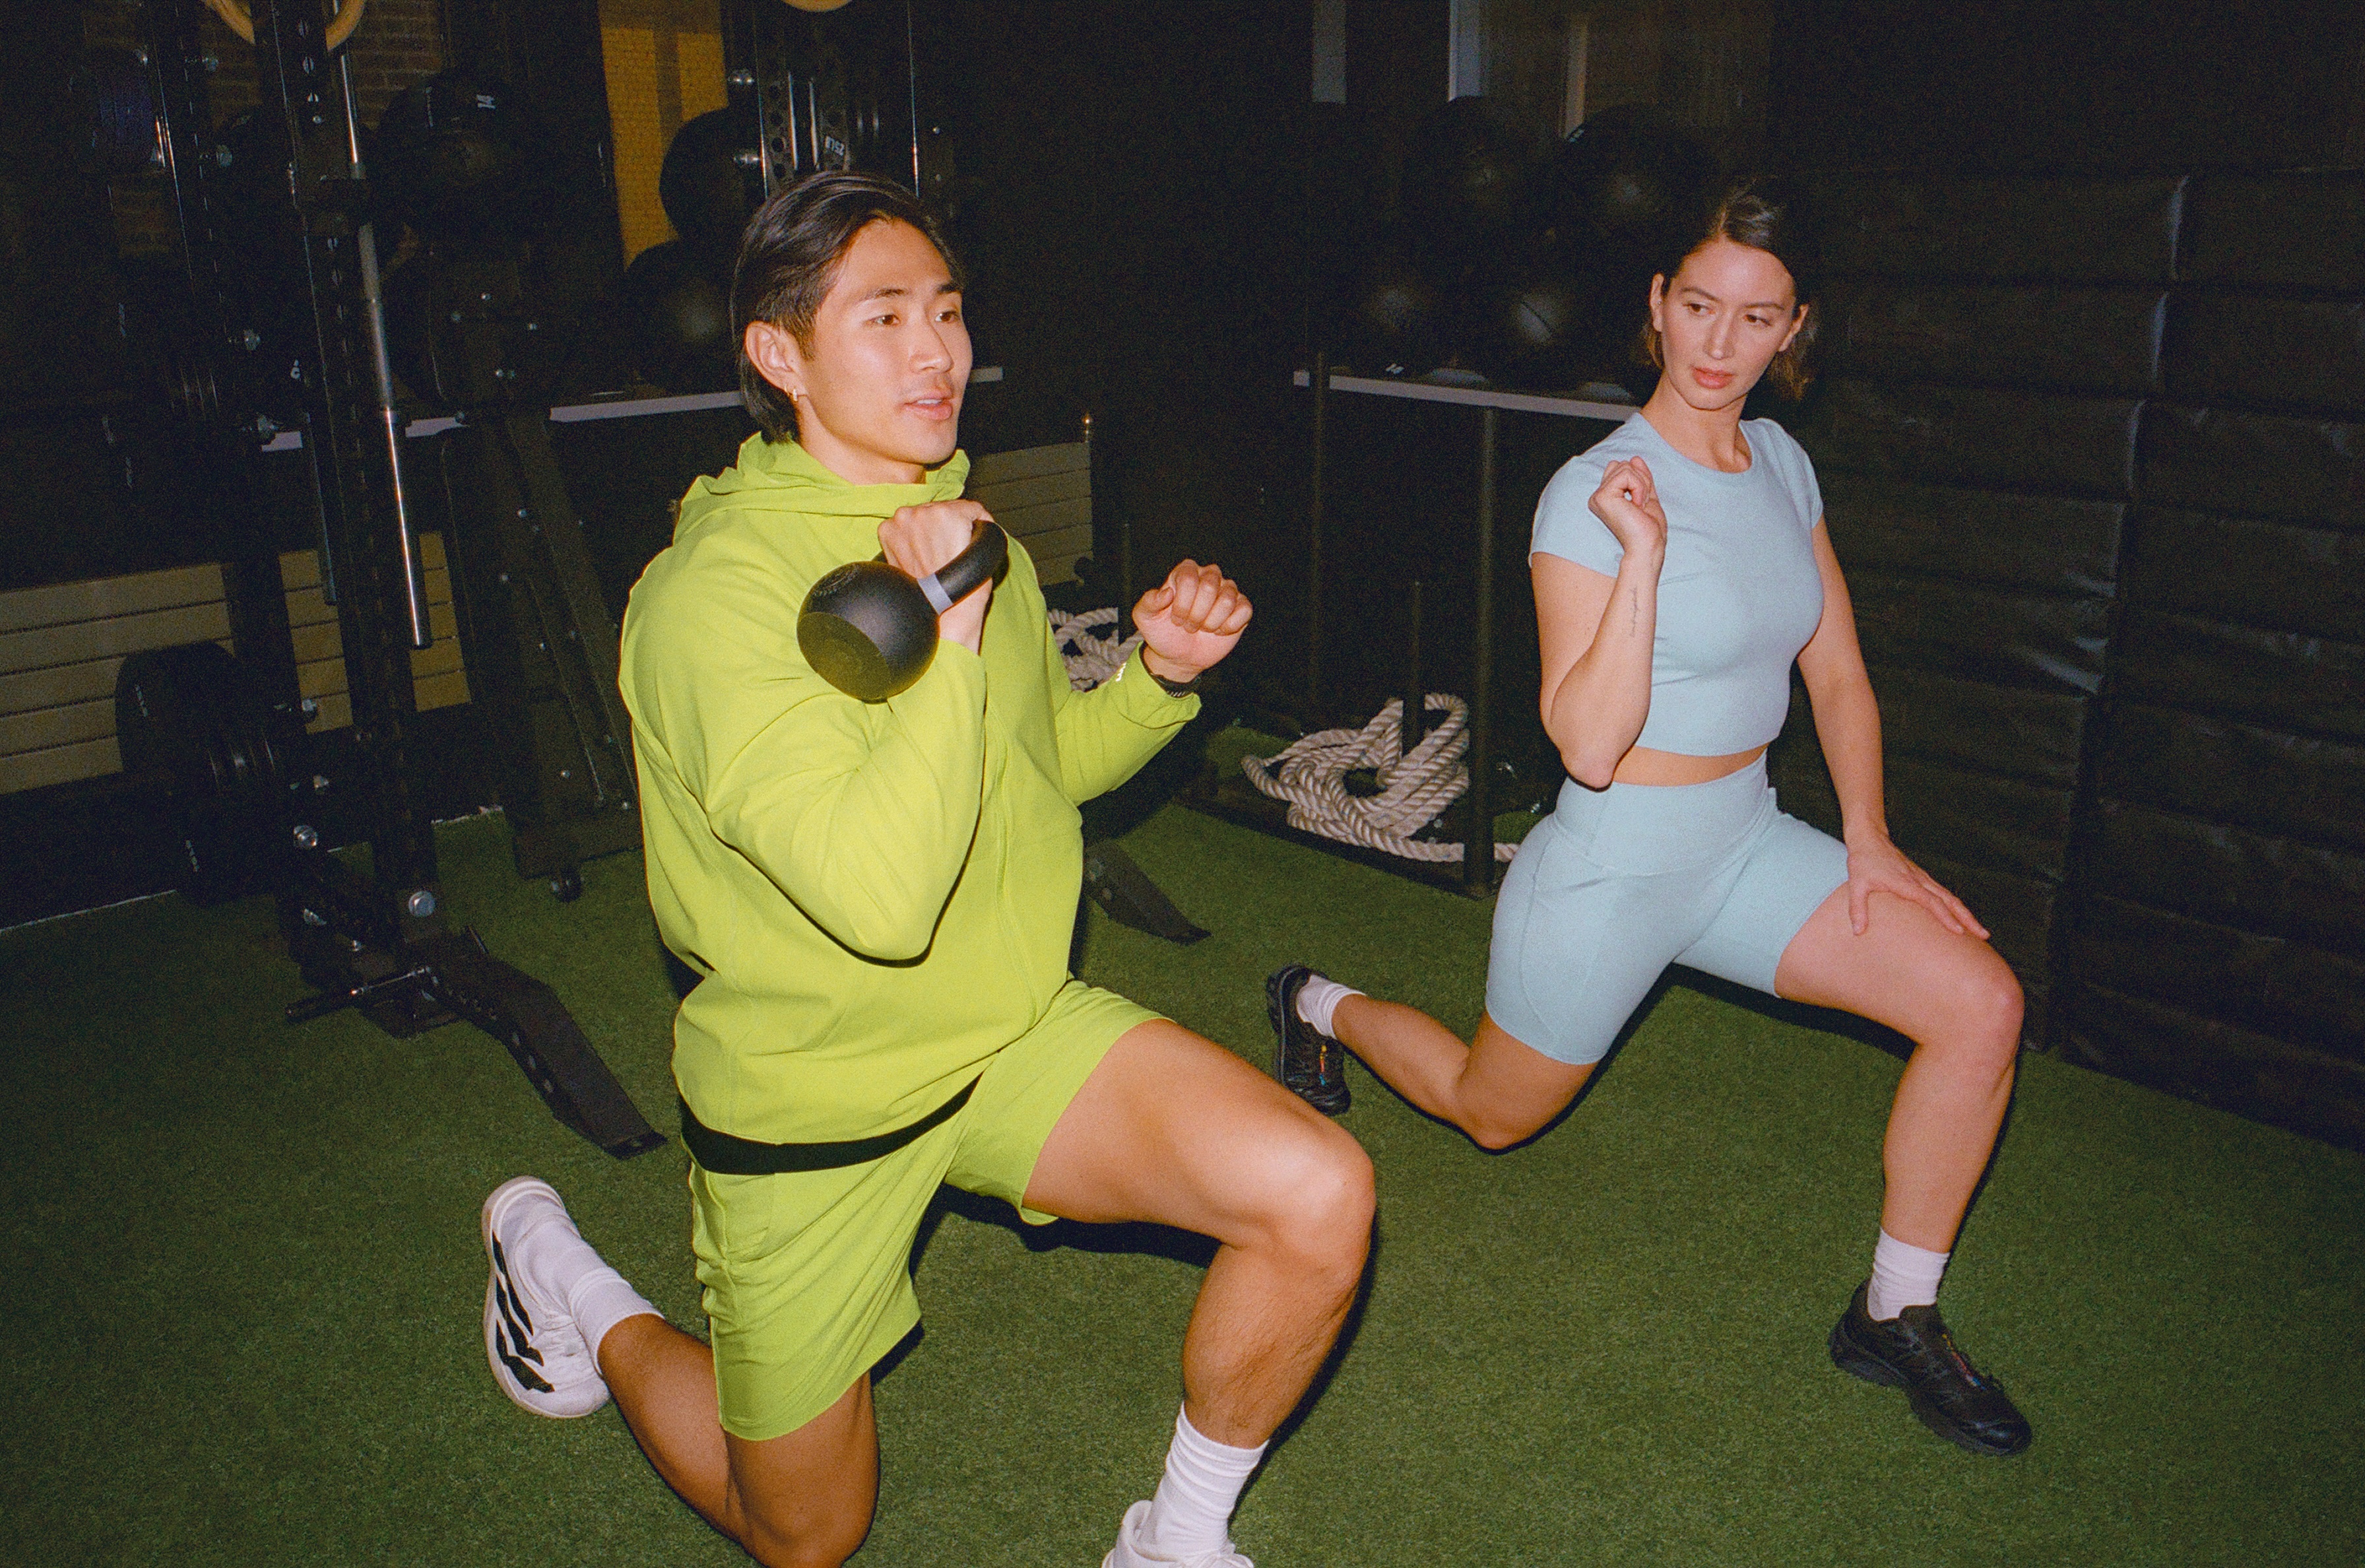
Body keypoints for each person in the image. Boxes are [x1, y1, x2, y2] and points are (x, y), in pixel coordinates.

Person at [480, 172, 1373, 1568]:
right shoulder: (709, 599)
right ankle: (573, 1282)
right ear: (779, 356)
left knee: (1318, 1192)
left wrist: (1159, 680)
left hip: (1009, 1031)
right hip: (818, 1100)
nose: (936, 353)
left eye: (947, 313)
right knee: (805, 1536)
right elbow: (880, 901)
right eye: (883, 317)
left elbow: (1033, 779)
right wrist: (949, 628)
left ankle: (1173, 1540)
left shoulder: (959, 530)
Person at [1268, 176, 2030, 1457]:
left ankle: (1893, 1312)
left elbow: (1834, 671)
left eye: (1757, 316)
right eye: (1698, 307)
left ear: (1795, 329)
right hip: (1614, 865)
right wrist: (1647, 560)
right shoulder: (1589, 490)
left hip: (1744, 843)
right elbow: (1589, 739)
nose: (1720, 344)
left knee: (1981, 1004)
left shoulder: (1783, 463)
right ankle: (1314, 1001)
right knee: (1488, 1108)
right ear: (1655, 308)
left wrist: (1867, 835)